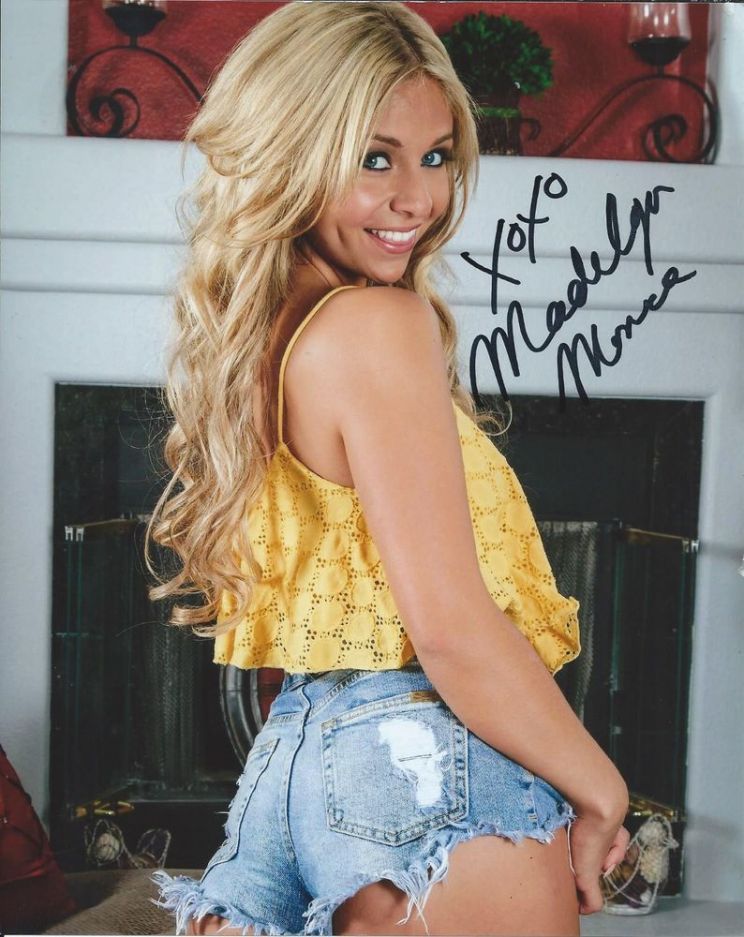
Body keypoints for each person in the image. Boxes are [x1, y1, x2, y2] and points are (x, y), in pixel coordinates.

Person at [148, 3, 630, 935]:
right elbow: (448, 627)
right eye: (376, 159)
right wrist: (601, 788)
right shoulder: (377, 326)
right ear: (293, 152)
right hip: (424, 765)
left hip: (287, 772)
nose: (419, 198)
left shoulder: (268, 339)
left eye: (436, 156)